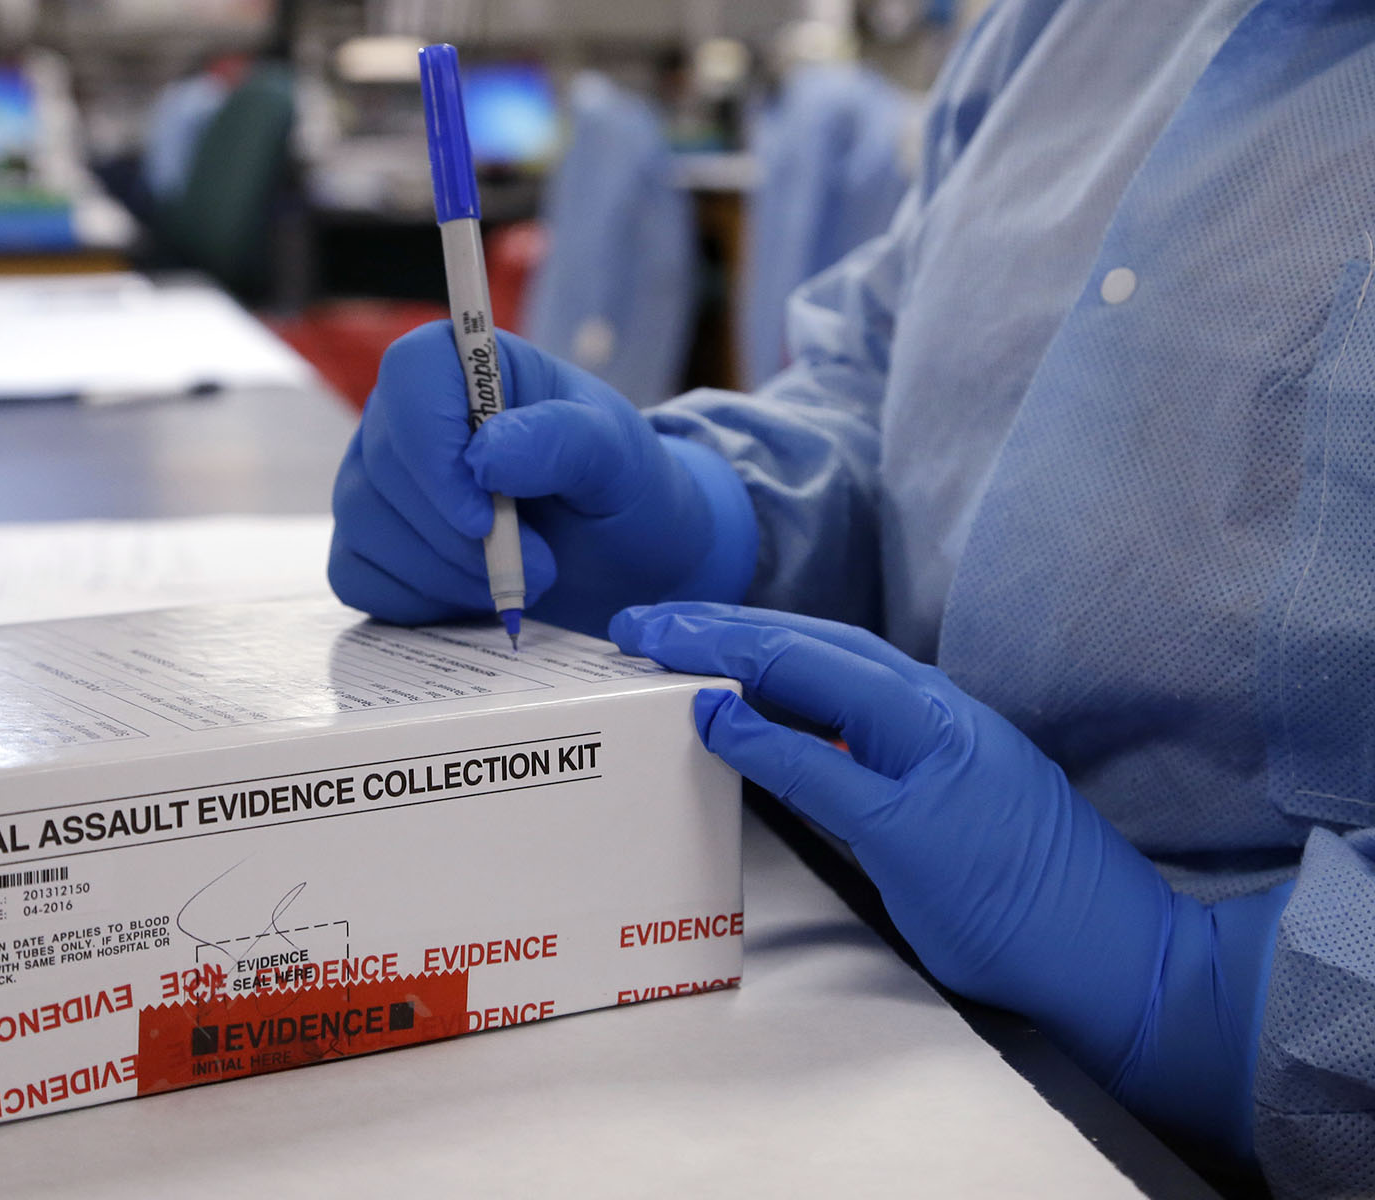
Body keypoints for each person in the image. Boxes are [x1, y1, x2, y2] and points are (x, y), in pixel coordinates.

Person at [325, 0, 1375, 1195]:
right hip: (852, 998)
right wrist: (698, 511)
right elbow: (891, 385)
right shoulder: (1068, 23)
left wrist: (1207, 999)